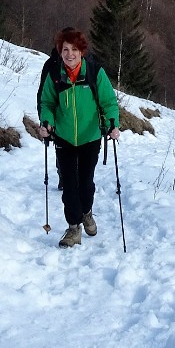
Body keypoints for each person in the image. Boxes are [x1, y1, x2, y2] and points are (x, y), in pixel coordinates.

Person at [37, 27, 120, 248]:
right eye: (65, 49)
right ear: (60, 51)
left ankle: (87, 212)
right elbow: (47, 103)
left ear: (81, 51)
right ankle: (73, 227)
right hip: (64, 137)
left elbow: (109, 102)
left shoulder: (94, 71)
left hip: (90, 136)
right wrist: (47, 122)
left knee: (85, 182)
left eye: (74, 49)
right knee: (69, 184)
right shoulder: (55, 74)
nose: (69, 54)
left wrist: (112, 123)